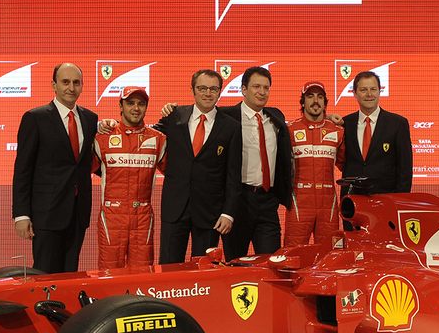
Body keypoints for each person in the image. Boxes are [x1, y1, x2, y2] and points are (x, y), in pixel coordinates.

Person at [12, 62, 99, 273]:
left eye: (76, 83)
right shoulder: (35, 118)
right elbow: (23, 169)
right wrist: (21, 214)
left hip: (78, 213)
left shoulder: (90, 119)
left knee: (70, 274)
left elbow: (89, 162)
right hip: (47, 213)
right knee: (45, 275)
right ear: (54, 85)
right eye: (65, 82)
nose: (71, 88)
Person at [156, 69, 242, 264]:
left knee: (204, 271)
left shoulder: (231, 127)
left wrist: (228, 213)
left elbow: (233, 175)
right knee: (168, 268)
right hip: (174, 208)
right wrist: (109, 125)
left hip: (210, 212)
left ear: (219, 92)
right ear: (193, 90)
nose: (207, 93)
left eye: (213, 89)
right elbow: (144, 134)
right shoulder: (174, 116)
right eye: (202, 88)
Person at [217, 66, 294, 260]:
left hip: (268, 201)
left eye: (266, 87)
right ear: (244, 89)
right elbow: (199, 115)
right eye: (256, 86)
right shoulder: (225, 116)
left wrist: (329, 117)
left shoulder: (276, 117)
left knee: (270, 263)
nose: (262, 92)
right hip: (238, 201)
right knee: (235, 263)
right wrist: (173, 110)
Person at [92, 86, 166, 270]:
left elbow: (176, 175)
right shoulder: (103, 137)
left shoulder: (158, 139)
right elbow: (79, 170)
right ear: (121, 106)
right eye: (130, 103)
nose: (136, 108)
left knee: (142, 274)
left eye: (141, 104)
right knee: (109, 273)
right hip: (112, 216)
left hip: (142, 217)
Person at [283, 81, 345, 246]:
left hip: (328, 204)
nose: (315, 101)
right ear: (302, 102)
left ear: (325, 103)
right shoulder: (289, 130)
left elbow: (346, 165)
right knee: (293, 252)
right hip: (299, 202)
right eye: (310, 96)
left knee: (329, 253)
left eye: (320, 97)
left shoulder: (338, 131)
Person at [341, 71, 413, 194]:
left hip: (386, 199)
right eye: (363, 90)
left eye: (373, 89)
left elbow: (405, 169)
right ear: (354, 93)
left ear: (380, 91)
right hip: (352, 199)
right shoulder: (345, 123)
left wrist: (399, 200)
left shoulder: (397, 124)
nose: (369, 94)